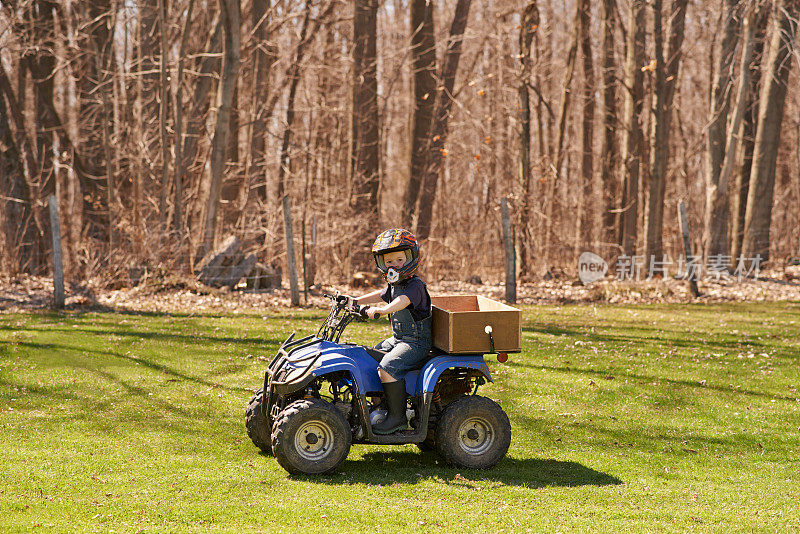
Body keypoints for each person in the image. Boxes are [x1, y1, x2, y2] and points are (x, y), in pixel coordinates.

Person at [352, 228, 432, 434]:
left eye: (399, 260)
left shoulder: (414, 285)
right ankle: (380, 406)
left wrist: (382, 310)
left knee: (387, 367)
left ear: (411, 258)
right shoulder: (394, 284)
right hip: (399, 339)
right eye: (389, 262)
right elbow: (379, 294)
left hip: (416, 343)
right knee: (369, 356)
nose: (394, 265)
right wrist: (353, 301)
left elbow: (401, 302)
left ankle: (397, 418)